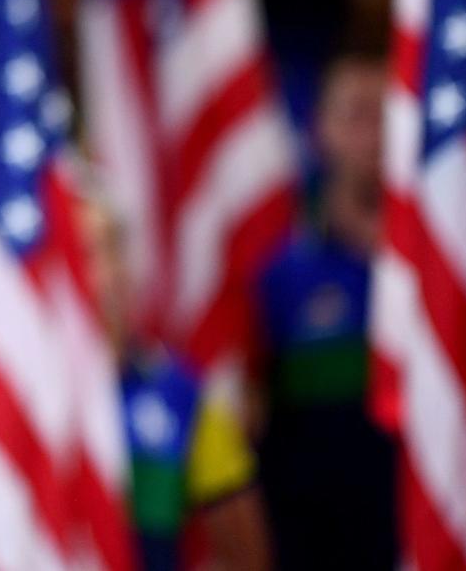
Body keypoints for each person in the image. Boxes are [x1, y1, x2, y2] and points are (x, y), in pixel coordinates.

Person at [249, 51, 396, 566]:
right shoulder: (280, 275)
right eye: (357, 115)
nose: (374, 134)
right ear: (319, 131)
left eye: (386, 114)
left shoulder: (439, 271)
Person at [78, 187, 270, 570]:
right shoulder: (24, 400)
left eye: (115, 247)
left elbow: (246, 555)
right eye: (88, 251)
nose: (109, 271)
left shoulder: (184, 398)